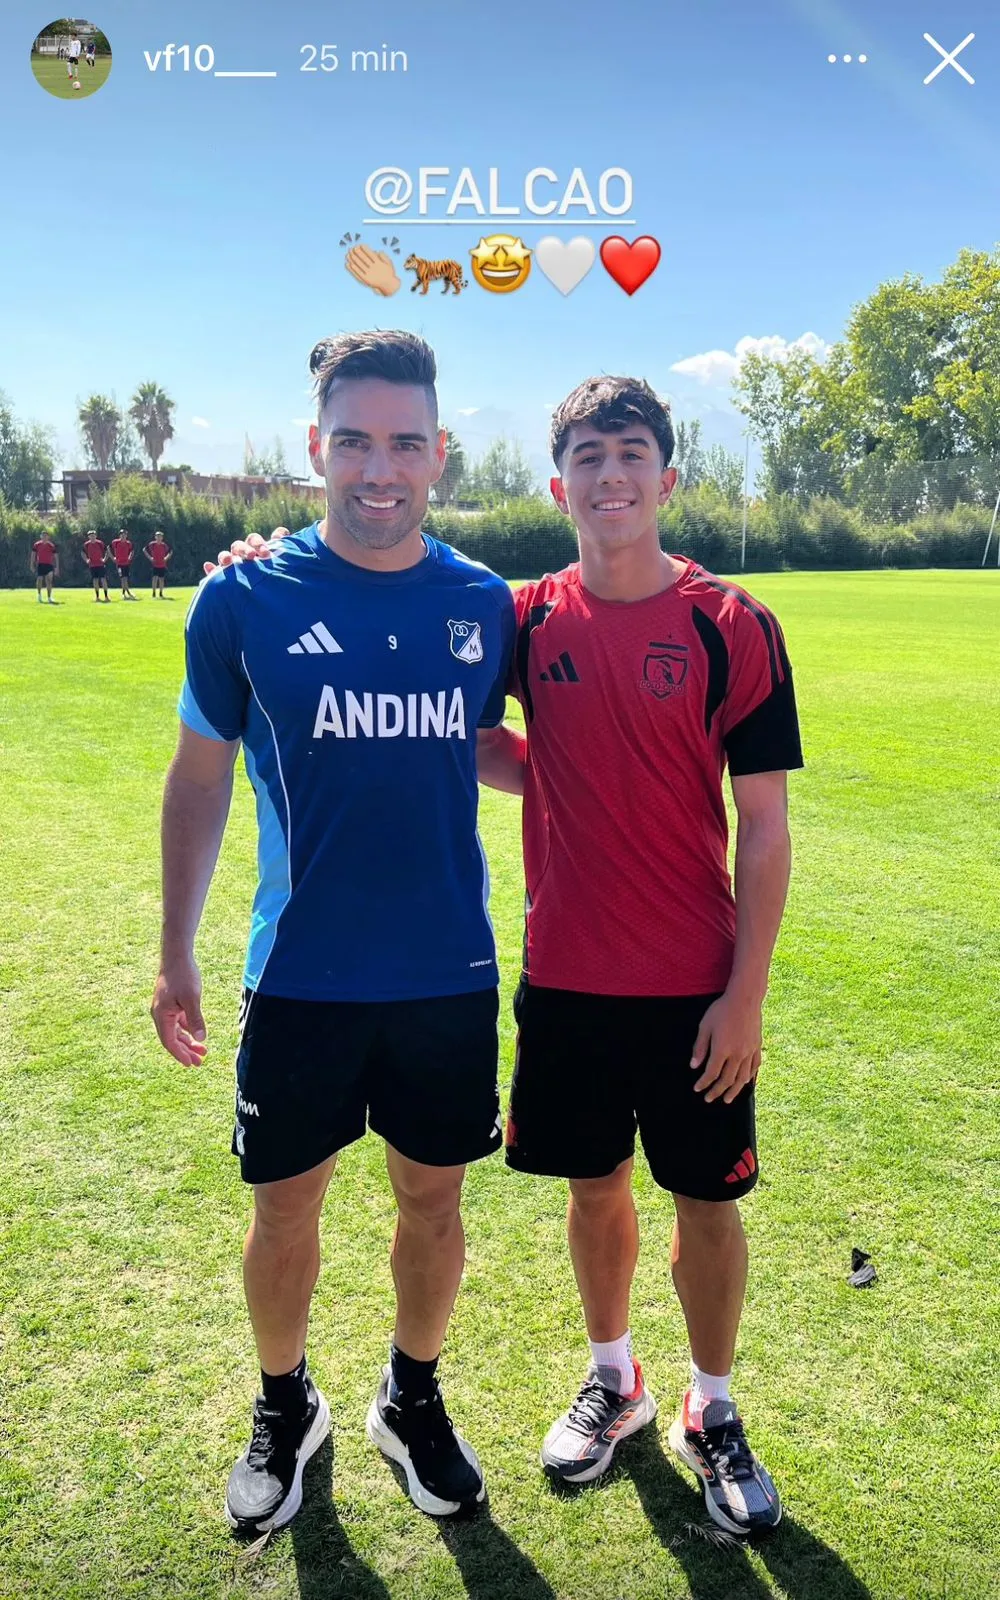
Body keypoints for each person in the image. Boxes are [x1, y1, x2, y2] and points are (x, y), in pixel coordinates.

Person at [229, 373, 803, 1538]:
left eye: (630, 452)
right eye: (587, 456)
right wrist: (255, 568)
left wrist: (746, 993)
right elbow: (456, 713)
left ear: (667, 476)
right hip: (568, 978)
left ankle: (714, 1404)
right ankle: (615, 1380)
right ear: (558, 484)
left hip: (697, 982)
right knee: (595, 1192)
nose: (610, 475)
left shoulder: (731, 623)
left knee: (705, 1202)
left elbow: (770, 823)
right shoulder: (523, 615)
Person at [150, 329, 517, 1538]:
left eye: (404, 442)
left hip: (446, 979)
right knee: (285, 1208)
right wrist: (175, 948)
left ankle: (410, 1399)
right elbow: (200, 780)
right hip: (300, 975)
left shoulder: (480, 604)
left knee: (433, 1201)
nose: (379, 466)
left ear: (438, 454)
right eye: (353, 439)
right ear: (317, 447)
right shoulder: (242, 595)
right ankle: (283, 1404)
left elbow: (502, 746)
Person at [30, 533, 59, 601]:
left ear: (48, 537)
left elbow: (56, 556)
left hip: (49, 565)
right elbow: (33, 555)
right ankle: (39, 595)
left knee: (49, 581)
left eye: (46, 536)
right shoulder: (36, 545)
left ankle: (49, 597)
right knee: (39, 580)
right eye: (43, 536)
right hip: (40, 564)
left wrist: (57, 567)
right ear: (40, 536)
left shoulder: (51, 545)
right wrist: (31, 565)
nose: (44, 537)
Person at [83, 530, 110, 601]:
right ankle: (97, 597)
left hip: (100, 564)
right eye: (90, 536)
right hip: (92, 565)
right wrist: (86, 560)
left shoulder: (100, 543)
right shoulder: (86, 544)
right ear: (88, 537)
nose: (92, 537)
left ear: (96, 536)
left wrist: (104, 559)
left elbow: (107, 550)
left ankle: (106, 596)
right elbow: (82, 553)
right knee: (95, 580)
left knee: (103, 579)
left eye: (93, 535)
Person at [144, 531, 172, 596]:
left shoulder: (164, 545)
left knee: (161, 579)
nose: (159, 538)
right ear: (155, 537)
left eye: (160, 536)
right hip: (155, 564)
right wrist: (150, 558)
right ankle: (153, 592)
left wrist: (166, 558)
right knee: (154, 578)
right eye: (157, 536)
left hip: (162, 564)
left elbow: (170, 552)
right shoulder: (152, 544)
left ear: (162, 538)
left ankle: (161, 593)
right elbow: (144, 550)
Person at [110, 529, 135, 598]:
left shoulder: (128, 543)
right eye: (122, 534)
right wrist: (113, 558)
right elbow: (108, 549)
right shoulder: (115, 542)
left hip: (126, 563)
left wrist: (130, 557)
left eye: (124, 534)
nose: (123, 536)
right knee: (122, 578)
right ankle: (125, 593)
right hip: (119, 564)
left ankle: (126, 593)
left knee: (125, 578)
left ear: (126, 535)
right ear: (119, 535)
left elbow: (132, 551)